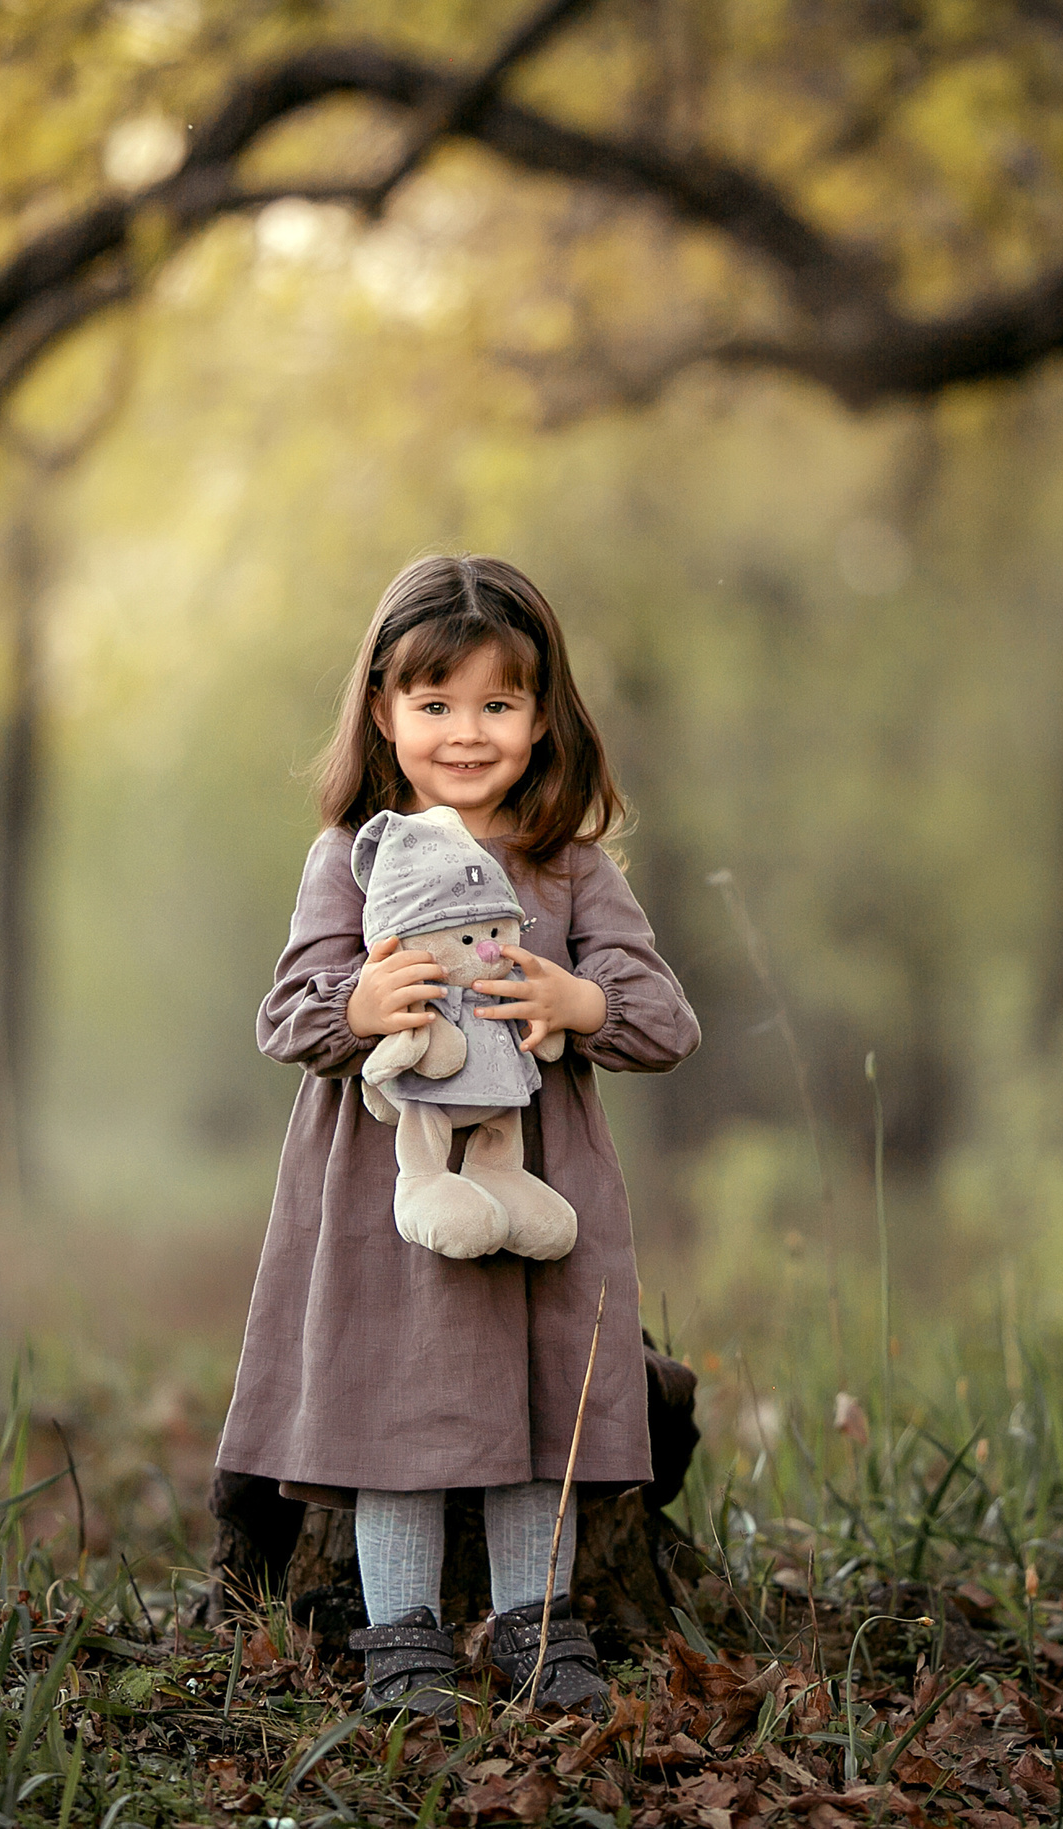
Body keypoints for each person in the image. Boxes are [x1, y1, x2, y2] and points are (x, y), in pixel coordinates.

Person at [214, 554, 700, 1718]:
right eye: (434, 702)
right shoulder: (349, 855)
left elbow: (666, 1018)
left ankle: (540, 1628)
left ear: (543, 719)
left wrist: (581, 1002)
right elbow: (288, 1010)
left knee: (544, 1415)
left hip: (539, 1187)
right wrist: (359, 1008)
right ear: (383, 710)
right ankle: (403, 1638)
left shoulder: (569, 868)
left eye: (499, 702)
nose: (466, 731)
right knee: (397, 1410)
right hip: (390, 1201)